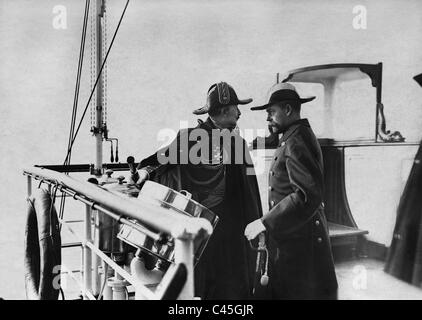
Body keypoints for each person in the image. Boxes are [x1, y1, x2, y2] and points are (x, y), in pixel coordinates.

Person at [133, 82, 263, 299]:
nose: (240, 112)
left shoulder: (237, 143)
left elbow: (250, 193)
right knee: (207, 289)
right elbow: (157, 160)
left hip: (229, 236)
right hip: (203, 236)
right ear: (223, 111)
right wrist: (144, 172)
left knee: (227, 290)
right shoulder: (191, 138)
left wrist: (256, 225)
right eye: (235, 108)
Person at [244, 82, 338, 299]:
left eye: (271, 112)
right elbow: (273, 139)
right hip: (294, 233)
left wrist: (264, 222)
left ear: (287, 110)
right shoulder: (292, 133)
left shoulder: (296, 140)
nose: (267, 118)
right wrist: (251, 144)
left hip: (302, 241)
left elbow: (306, 195)